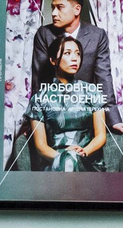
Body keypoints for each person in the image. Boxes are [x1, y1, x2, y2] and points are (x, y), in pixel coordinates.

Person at [28, 36, 111, 170]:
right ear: (53, 60)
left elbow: (101, 136)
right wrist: (64, 158)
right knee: (68, 163)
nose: (74, 58)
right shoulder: (39, 99)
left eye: (77, 54)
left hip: (87, 161)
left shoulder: (92, 92)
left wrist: (83, 152)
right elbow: (40, 146)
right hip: (55, 162)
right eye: (67, 53)